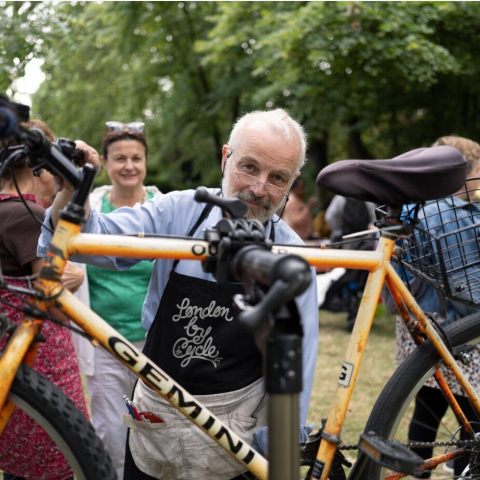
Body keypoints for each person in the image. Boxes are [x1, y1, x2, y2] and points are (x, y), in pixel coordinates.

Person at [38, 109, 319, 480]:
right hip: (158, 423)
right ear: (225, 158)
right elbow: (93, 242)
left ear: (293, 181)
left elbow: (299, 362)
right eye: (249, 167)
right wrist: (73, 194)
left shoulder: (292, 255)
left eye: (277, 178)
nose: (259, 188)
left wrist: (279, 453)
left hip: (236, 438)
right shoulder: (181, 213)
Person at [385, 135, 480, 478]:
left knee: (427, 408)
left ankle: (421, 472)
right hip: (457, 330)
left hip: (416, 323)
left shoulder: (416, 207)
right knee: (473, 419)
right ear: (464, 171)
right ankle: (464, 472)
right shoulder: (461, 216)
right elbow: (468, 288)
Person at [69, 126, 161, 480]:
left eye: (136, 158)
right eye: (120, 158)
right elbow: (68, 248)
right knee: (111, 431)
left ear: (146, 163)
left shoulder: (164, 206)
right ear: (105, 163)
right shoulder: (92, 203)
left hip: (153, 341)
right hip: (103, 339)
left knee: (155, 429)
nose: (129, 166)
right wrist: (76, 275)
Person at [0, 120, 88, 480]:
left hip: (14, 370)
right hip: (44, 371)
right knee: (61, 461)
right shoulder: (27, 214)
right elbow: (50, 295)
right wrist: (77, 278)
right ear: (37, 166)